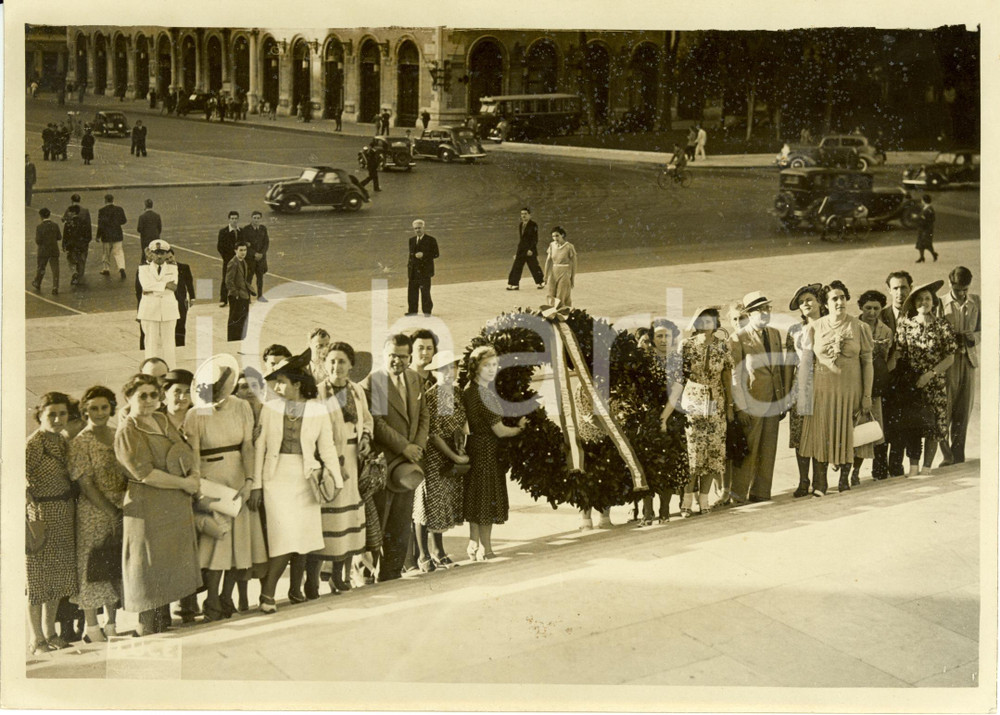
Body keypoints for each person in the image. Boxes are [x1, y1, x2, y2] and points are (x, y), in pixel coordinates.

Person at [254, 351, 342, 613]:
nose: (277, 387)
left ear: (297, 384)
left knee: (298, 536)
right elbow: (260, 447)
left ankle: (272, 593)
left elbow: (326, 448)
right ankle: (268, 594)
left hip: (305, 478)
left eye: (281, 382)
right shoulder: (270, 408)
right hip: (275, 478)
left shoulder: (317, 410)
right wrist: (256, 485)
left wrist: (336, 480)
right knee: (283, 535)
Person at [114, 373, 202, 636]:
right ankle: (146, 632)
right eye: (142, 396)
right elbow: (145, 474)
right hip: (147, 506)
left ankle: (162, 628)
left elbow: (183, 451)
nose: (150, 400)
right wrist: (184, 484)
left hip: (172, 505)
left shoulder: (162, 419)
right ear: (128, 398)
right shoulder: (128, 430)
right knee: (147, 570)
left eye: (154, 394)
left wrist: (194, 474)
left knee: (167, 566)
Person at [186, 354, 268, 621]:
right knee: (215, 542)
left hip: (237, 478)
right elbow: (193, 456)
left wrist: (248, 482)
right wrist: (200, 492)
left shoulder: (241, 407)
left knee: (239, 543)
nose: (219, 391)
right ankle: (211, 598)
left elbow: (247, 446)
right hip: (210, 481)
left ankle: (226, 595)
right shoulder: (194, 414)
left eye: (222, 385)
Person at [361, 334, 429, 581]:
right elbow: (377, 423)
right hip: (383, 464)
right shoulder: (374, 382)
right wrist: (404, 447)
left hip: (408, 467)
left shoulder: (415, 380)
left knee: (400, 525)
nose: (397, 361)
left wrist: (417, 448)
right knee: (377, 521)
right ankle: (366, 576)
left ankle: (391, 575)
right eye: (392, 355)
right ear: (383, 355)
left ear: (409, 357)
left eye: (402, 356)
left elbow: (424, 416)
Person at [798, 281, 874, 495]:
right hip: (822, 393)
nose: (840, 302)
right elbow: (805, 365)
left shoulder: (860, 327)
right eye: (834, 298)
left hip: (851, 392)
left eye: (842, 297)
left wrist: (867, 395)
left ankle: (844, 480)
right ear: (825, 303)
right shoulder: (813, 328)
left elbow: (867, 363)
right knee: (820, 434)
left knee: (849, 435)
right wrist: (804, 398)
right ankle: (820, 483)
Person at [311, 343, 371, 595]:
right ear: (325, 365)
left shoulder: (357, 391)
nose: (337, 366)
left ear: (351, 365)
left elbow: (366, 418)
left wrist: (366, 438)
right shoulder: (317, 393)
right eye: (332, 361)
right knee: (326, 519)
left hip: (353, 457)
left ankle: (340, 574)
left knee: (349, 518)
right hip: (329, 460)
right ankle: (313, 580)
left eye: (342, 361)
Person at [68, 385, 127, 643]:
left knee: (113, 565)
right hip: (93, 511)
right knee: (91, 566)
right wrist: (110, 511)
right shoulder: (81, 442)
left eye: (104, 407)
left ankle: (112, 623)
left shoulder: (117, 435)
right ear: (85, 410)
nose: (100, 413)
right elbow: (85, 483)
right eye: (93, 408)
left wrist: (121, 507)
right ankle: (92, 627)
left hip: (120, 505)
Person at [26, 392, 79, 654]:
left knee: (58, 578)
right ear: (40, 416)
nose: (58, 419)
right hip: (42, 515)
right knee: (37, 579)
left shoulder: (62, 441)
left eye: (62, 414)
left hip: (64, 512)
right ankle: (36, 638)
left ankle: (51, 632)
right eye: (51, 415)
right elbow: (18, 478)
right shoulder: (33, 444)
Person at [463, 346, 527, 560]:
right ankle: (486, 548)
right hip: (487, 451)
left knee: (475, 496)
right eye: (486, 365)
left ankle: (473, 544)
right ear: (475, 367)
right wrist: (519, 429)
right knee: (486, 497)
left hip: (473, 447)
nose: (491, 369)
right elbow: (499, 430)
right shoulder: (485, 394)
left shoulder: (468, 389)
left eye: (494, 365)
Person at [892, 280, 956, 477]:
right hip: (912, 383)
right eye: (919, 299)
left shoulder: (942, 325)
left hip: (935, 383)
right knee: (913, 423)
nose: (923, 302)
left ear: (933, 302)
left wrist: (930, 375)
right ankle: (913, 468)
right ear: (913, 303)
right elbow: (899, 353)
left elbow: (950, 357)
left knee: (935, 425)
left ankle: (927, 468)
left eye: (927, 299)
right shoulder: (905, 325)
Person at [729, 291, 787, 503]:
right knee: (749, 449)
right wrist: (740, 407)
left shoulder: (773, 334)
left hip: (773, 401)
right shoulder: (738, 338)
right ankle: (738, 494)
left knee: (768, 447)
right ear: (749, 314)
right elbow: (735, 376)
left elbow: (777, 369)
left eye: (767, 309)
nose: (764, 313)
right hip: (751, 403)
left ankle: (761, 492)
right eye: (759, 310)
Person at [413, 350, 468, 569]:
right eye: (443, 369)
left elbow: (461, 423)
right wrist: (454, 455)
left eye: (452, 367)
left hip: (452, 450)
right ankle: (424, 555)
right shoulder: (432, 396)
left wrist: (460, 448)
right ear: (435, 372)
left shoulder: (455, 393)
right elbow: (433, 434)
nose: (448, 372)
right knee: (427, 502)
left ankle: (438, 551)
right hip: (435, 454)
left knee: (442, 503)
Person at [678, 308, 734, 516]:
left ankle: (704, 499)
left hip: (716, 403)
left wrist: (729, 405)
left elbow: (727, 375)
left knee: (713, 451)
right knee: (693, 451)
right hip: (693, 402)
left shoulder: (722, 346)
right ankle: (686, 501)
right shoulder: (687, 345)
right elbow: (678, 377)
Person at [641, 319, 688, 523]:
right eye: (658, 335)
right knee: (646, 463)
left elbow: (677, 391)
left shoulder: (677, 360)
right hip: (647, 416)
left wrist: (662, 419)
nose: (662, 339)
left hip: (671, 416)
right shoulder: (644, 359)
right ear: (652, 337)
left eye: (666, 336)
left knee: (668, 463)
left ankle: (665, 511)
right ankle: (647, 512)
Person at [784, 284, 826, 497]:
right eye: (802, 302)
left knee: (820, 433)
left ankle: (821, 480)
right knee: (800, 434)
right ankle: (803, 480)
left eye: (809, 299)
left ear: (820, 301)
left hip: (825, 385)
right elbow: (789, 363)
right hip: (801, 386)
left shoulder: (830, 325)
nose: (806, 304)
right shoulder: (794, 331)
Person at [937, 267, 980, 466]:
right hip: (948, 362)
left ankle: (958, 455)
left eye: (965, 289)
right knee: (945, 407)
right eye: (958, 289)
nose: (962, 293)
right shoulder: (940, 303)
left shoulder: (976, 301)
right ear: (950, 283)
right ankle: (946, 454)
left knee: (964, 408)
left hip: (969, 361)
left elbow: (986, 328)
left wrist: (974, 337)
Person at [852, 289, 893, 483]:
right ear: (860, 307)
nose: (872, 312)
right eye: (868, 308)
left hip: (874, 385)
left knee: (873, 426)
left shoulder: (886, 331)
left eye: (876, 308)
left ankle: (870, 471)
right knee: (854, 427)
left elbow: (885, 360)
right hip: (853, 383)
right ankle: (849, 471)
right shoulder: (852, 326)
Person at [881, 270, 913, 477]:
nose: (900, 293)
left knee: (902, 424)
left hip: (907, 379)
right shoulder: (879, 315)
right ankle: (879, 466)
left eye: (903, 287)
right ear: (889, 290)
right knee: (883, 422)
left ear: (910, 288)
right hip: (884, 379)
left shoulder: (917, 314)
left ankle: (897, 465)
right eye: (895, 288)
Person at [137, 239, 180, 367]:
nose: (160, 256)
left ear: (167, 254)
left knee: (169, 343)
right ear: (151, 254)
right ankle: (150, 370)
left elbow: (173, 286)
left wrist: (152, 289)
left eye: (162, 253)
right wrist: (164, 285)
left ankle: (171, 370)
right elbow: (145, 285)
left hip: (168, 310)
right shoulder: (143, 269)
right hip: (150, 311)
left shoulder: (173, 268)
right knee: (151, 343)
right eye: (156, 253)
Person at [506, 207, 545, 291]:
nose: (523, 216)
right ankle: (514, 284)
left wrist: (531, 249)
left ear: (529, 215)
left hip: (530, 250)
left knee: (534, 266)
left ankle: (540, 282)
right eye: (522, 214)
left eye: (525, 214)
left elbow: (535, 239)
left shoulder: (533, 225)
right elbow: (522, 240)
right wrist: (517, 253)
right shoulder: (521, 225)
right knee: (516, 266)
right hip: (521, 250)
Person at [407, 220, 440, 317]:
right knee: (412, 292)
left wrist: (424, 255)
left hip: (424, 271)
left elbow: (436, 254)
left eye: (419, 228)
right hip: (413, 271)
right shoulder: (412, 240)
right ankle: (412, 311)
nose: (417, 230)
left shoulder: (431, 240)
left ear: (423, 228)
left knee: (425, 292)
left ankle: (427, 311)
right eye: (415, 228)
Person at [225, 242, 254, 343]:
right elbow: (228, 281)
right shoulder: (233, 263)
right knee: (235, 319)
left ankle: (240, 339)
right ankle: (233, 340)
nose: (243, 252)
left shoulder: (243, 261)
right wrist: (236, 294)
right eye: (241, 250)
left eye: (245, 250)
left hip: (244, 295)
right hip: (237, 296)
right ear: (235, 251)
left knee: (243, 319)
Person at [167, 249, 196, 347]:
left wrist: (192, 297)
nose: (169, 260)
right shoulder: (164, 270)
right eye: (167, 259)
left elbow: (189, 283)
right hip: (169, 302)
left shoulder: (184, 267)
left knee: (181, 324)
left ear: (174, 256)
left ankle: (180, 345)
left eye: (171, 257)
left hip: (181, 301)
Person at [62, 194, 93, 286]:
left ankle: (74, 273)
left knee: (71, 258)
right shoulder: (85, 211)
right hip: (83, 240)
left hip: (71, 241)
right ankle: (80, 277)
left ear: (71, 200)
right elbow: (88, 226)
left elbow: (65, 226)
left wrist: (64, 242)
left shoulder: (69, 211)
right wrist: (88, 239)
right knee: (82, 259)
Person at [544, 226, 577, 308]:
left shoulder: (569, 247)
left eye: (557, 235)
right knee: (551, 294)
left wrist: (572, 277)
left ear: (562, 235)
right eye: (553, 236)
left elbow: (574, 263)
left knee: (561, 295)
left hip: (564, 272)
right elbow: (548, 261)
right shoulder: (552, 245)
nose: (555, 238)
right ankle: (552, 315)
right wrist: (545, 276)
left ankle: (563, 314)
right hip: (553, 272)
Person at [96, 194, 127, 280]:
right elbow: (124, 220)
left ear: (105, 200)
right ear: (113, 200)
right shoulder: (119, 209)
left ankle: (106, 269)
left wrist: (98, 236)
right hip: (117, 234)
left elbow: (100, 225)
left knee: (106, 253)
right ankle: (121, 268)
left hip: (106, 235)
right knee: (119, 252)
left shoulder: (102, 211)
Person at [33, 208, 62, 295]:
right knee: (55, 269)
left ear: (41, 216)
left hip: (43, 251)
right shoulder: (55, 225)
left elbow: (38, 240)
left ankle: (38, 282)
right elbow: (59, 237)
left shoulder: (39, 227)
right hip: (53, 250)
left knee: (41, 267)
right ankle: (55, 287)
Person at [242, 210, 270, 301]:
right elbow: (245, 244)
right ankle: (247, 297)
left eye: (258, 218)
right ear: (251, 218)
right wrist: (254, 254)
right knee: (249, 278)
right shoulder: (246, 229)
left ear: (260, 219)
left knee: (260, 278)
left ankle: (260, 295)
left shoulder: (263, 228)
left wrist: (261, 254)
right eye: (254, 218)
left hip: (261, 259)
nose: (256, 220)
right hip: (250, 259)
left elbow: (266, 243)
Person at [217, 211, 241, 307]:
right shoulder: (223, 232)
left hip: (240, 260)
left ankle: (238, 298)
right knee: (226, 279)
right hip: (228, 260)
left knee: (239, 279)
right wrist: (227, 258)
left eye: (236, 218)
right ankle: (223, 299)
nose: (234, 220)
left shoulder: (241, 231)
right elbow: (220, 247)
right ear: (229, 219)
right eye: (232, 218)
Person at [915, 194, 938, 263]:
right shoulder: (925, 208)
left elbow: (932, 219)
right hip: (922, 228)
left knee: (926, 243)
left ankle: (934, 254)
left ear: (924, 200)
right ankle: (922, 257)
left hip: (927, 229)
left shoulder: (929, 209)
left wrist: (923, 219)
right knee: (920, 243)